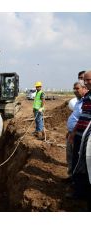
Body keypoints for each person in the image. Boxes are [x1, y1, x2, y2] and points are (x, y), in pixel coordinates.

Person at [68, 70, 91, 208]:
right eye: (84, 80)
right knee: (79, 162)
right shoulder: (87, 97)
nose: (85, 82)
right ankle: (80, 191)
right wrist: (74, 131)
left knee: (86, 166)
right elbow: (83, 117)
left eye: (88, 80)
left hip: (87, 139)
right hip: (80, 136)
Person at [65, 81, 88, 183]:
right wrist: (69, 131)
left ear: (84, 88)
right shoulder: (78, 102)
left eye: (77, 88)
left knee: (77, 159)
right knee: (70, 157)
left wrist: (73, 132)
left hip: (78, 135)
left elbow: (82, 120)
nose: (75, 91)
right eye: (74, 89)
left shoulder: (85, 102)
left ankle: (76, 182)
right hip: (72, 134)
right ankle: (71, 177)